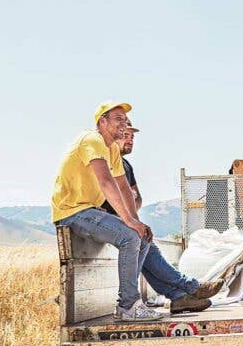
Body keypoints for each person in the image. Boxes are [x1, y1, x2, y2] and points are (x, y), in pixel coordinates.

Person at [51, 101, 160, 322]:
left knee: (141, 236)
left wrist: (138, 222)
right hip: (71, 211)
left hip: (89, 210)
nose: (124, 123)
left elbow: (123, 187)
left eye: (125, 119)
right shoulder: (91, 140)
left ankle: (126, 305)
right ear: (102, 121)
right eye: (118, 119)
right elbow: (106, 182)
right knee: (129, 236)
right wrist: (129, 221)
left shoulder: (112, 149)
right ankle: (129, 306)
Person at [106, 120, 219, 313]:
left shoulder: (126, 166)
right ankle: (190, 287)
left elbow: (136, 197)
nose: (130, 140)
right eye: (126, 135)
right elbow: (113, 194)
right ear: (114, 135)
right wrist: (127, 202)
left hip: (125, 219)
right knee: (147, 246)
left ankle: (179, 297)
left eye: (133, 137)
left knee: (147, 246)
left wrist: (131, 202)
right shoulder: (105, 161)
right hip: (111, 219)